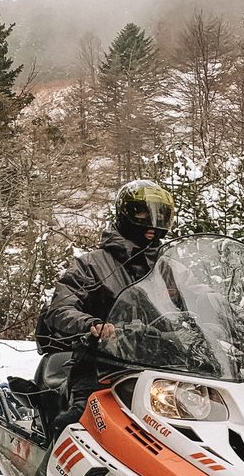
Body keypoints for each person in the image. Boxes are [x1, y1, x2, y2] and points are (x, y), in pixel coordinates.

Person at [33, 179, 176, 422]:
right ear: (125, 214)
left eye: (160, 215)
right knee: (78, 420)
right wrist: (92, 324)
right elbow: (61, 306)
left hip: (161, 364)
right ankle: (51, 458)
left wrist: (238, 316)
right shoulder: (91, 264)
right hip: (102, 365)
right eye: (142, 212)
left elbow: (202, 295)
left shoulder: (168, 267)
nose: (152, 223)